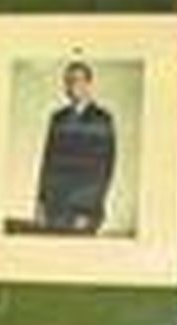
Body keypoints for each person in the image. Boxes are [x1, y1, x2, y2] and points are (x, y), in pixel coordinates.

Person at [36, 60, 116, 234]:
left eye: (78, 80)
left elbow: (103, 168)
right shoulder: (57, 118)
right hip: (55, 209)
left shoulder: (102, 119)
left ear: (88, 84)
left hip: (84, 212)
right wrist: (41, 203)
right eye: (69, 81)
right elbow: (48, 163)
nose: (73, 86)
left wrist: (87, 211)